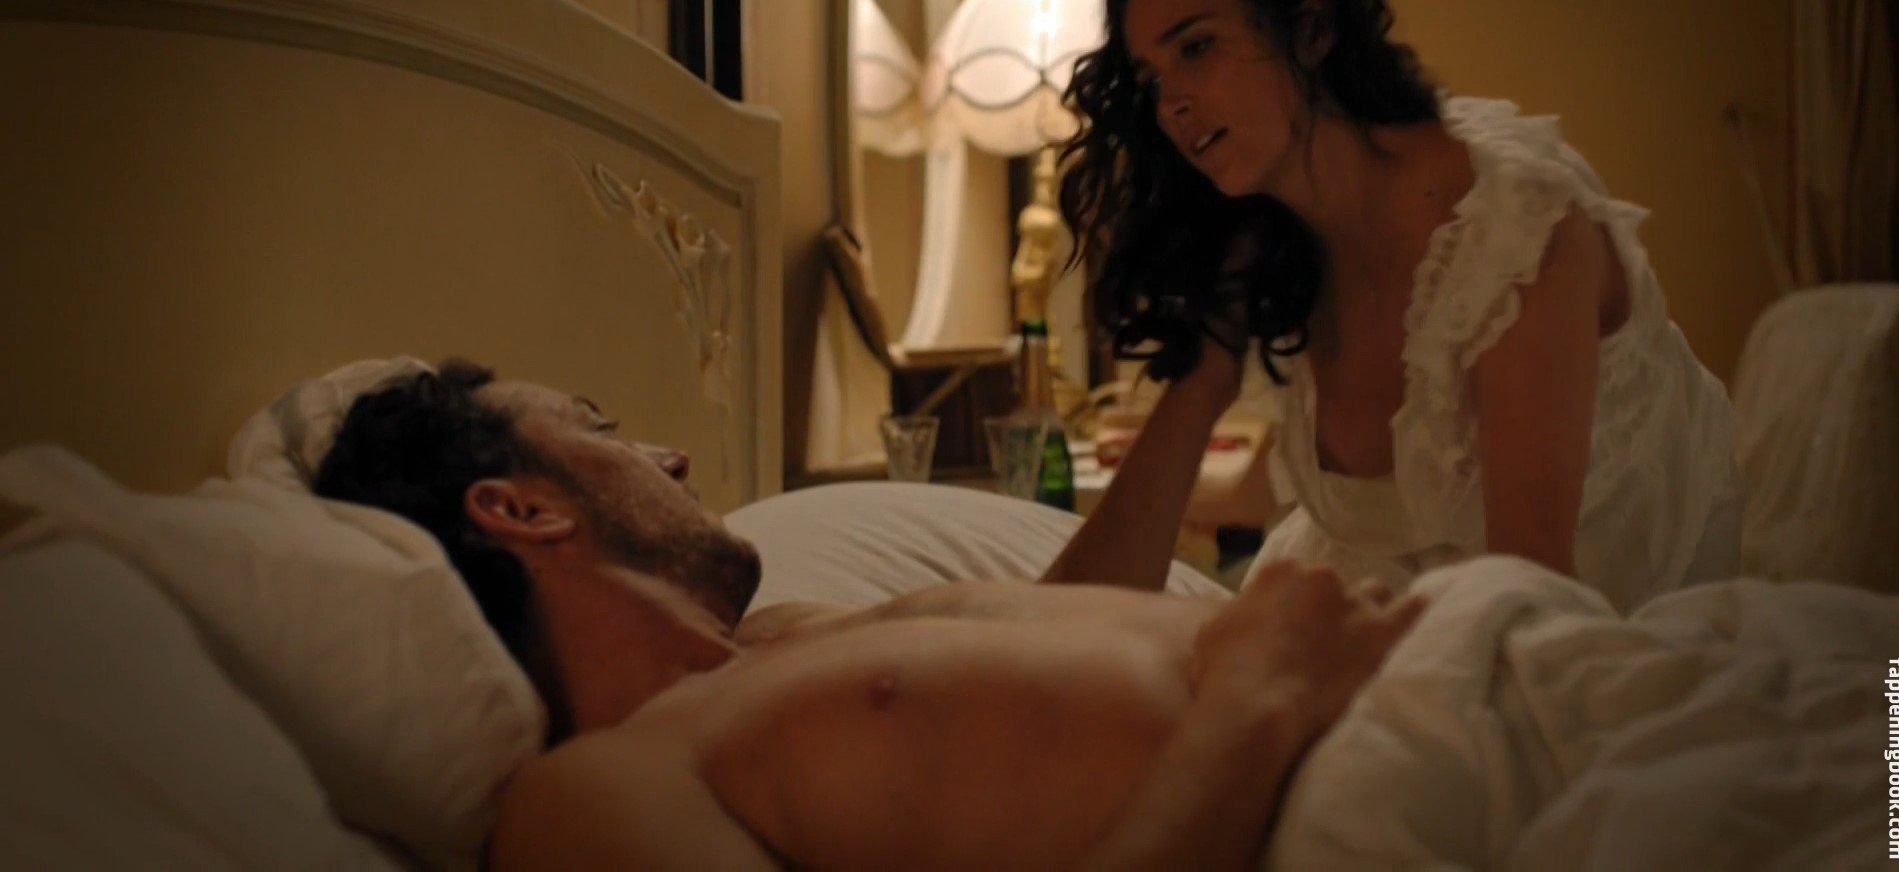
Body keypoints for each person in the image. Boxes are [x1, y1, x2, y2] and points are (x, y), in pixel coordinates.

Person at [313, 361, 1425, 869]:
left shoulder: (785, 638)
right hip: (1366, 782)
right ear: (520, 509)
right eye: (603, 431)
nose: (674, 456)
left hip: (1429, 671)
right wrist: (1259, 702)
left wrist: (1205, 367)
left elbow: (1056, 665)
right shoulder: (588, 801)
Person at [1046, 0, 1743, 612]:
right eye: (1153, 80)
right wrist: (1203, 377)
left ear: (1312, 31)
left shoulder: (1515, 223)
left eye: (1196, 48)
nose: (1173, 104)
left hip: (1573, 623)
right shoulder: (1267, 242)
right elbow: (1079, 611)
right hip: (1373, 602)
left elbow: (1532, 596)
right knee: (1025, 648)